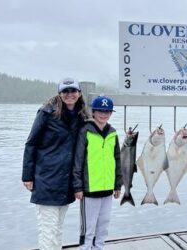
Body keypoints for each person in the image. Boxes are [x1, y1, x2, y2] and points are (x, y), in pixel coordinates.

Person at [22, 78, 89, 250]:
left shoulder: (81, 116)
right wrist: (27, 176)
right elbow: (31, 143)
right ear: (59, 94)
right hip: (46, 179)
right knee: (47, 229)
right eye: (65, 91)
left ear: (79, 93)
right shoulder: (46, 112)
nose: (69, 95)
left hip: (65, 182)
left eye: (73, 91)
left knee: (58, 228)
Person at [73, 95, 122, 250]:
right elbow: (78, 160)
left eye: (107, 111)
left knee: (104, 225)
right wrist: (78, 186)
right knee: (88, 228)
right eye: (100, 111)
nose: (104, 114)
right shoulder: (85, 131)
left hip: (107, 188)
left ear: (111, 113)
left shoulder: (113, 133)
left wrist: (117, 185)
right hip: (89, 189)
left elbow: (117, 160)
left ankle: (99, 248)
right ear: (93, 112)